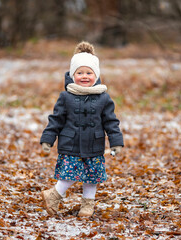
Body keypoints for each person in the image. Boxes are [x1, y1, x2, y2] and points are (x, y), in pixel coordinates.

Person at [40, 41, 124, 217]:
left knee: (92, 176)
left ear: (96, 75)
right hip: (71, 143)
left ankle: (87, 205)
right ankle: (54, 195)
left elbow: (111, 121)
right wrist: (48, 138)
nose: (84, 76)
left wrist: (116, 141)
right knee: (69, 173)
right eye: (79, 73)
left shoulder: (103, 98)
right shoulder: (66, 96)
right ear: (73, 75)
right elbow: (56, 119)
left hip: (94, 144)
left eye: (88, 72)